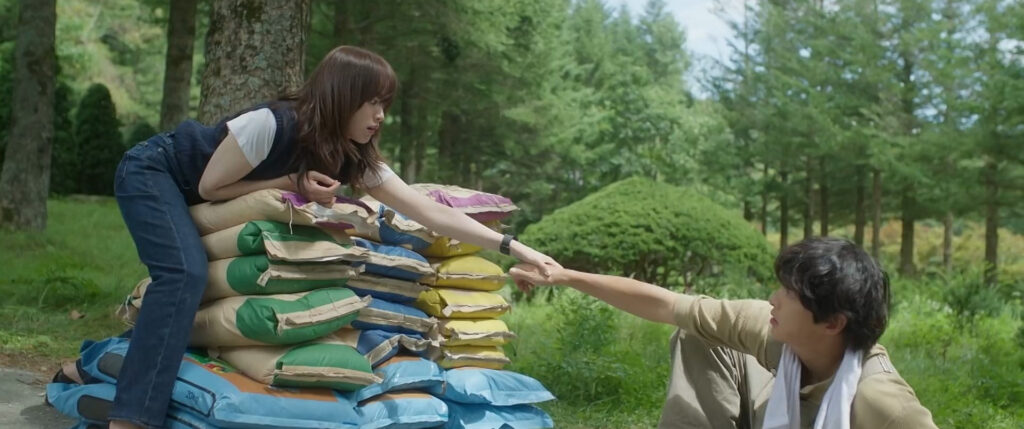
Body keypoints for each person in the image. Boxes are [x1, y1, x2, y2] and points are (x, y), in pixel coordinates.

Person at [54, 45, 560, 429]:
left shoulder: (354, 157)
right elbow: (210, 186)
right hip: (156, 173)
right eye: (372, 102)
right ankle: (131, 419)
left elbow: (428, 212)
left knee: (210, 297)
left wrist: (516, 248)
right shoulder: (272, 124)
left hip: (209, 197)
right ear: (343, 96)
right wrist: (292, 182)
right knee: (184, 276)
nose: (381, 115)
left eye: (385, 104)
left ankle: (89, 366)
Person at [510, 237, 937, 429]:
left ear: (833, 323)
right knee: (697, 332)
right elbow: (666, 304)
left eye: (789, 294)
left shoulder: (882, 402)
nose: (773, 299)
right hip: (770, 412)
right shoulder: (771, 328)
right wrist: (565, 276)